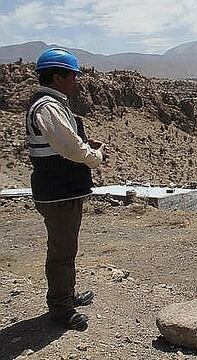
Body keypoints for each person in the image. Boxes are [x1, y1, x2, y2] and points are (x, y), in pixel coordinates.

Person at [26, 48, 107, 330]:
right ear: (57, 77)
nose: (76, 81)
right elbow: (70, 148)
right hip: (57, 192)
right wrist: (94, 156)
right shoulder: (47, 106)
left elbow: (65, 141)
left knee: (66, 248)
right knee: (61, 251)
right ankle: (60, 308)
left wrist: (86, 144)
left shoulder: (53, 104)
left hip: (63, 191)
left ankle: (67, 295)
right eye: (73, 75)